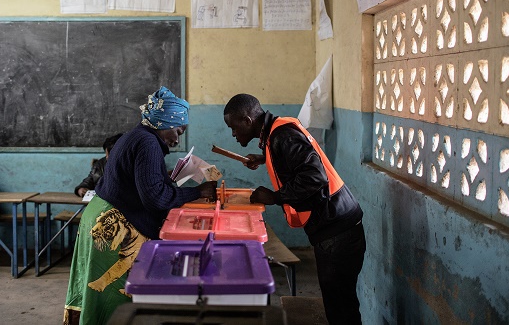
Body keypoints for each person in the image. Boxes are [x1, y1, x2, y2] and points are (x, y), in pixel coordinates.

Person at [63, 86, 217, 325]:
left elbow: (142, 182)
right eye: (178, 130)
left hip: (100, 214)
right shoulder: (148, 143)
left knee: (97, 288)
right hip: (113, 225)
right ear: (164, 122)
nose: (177, 139)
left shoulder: (137, 136)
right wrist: (196, 192)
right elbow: (155, 197)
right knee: (112, 294)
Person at [223, 94, 366, 324]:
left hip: (338, 232)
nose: (233, 134)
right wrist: (264, 158)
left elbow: (314, 177)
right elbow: (295, 160)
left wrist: (275, 197)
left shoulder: (282, 135)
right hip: (338, 227)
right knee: (339, 303)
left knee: (341, 308)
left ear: (247, 120)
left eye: (233, 127)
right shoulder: (276, 133)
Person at [74, 133, 123, 197]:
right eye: (106, 153)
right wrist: (81, 188)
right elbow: (89, 180)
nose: (107, 157)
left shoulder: (131, 166)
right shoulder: (99, 164)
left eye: (110, 154)